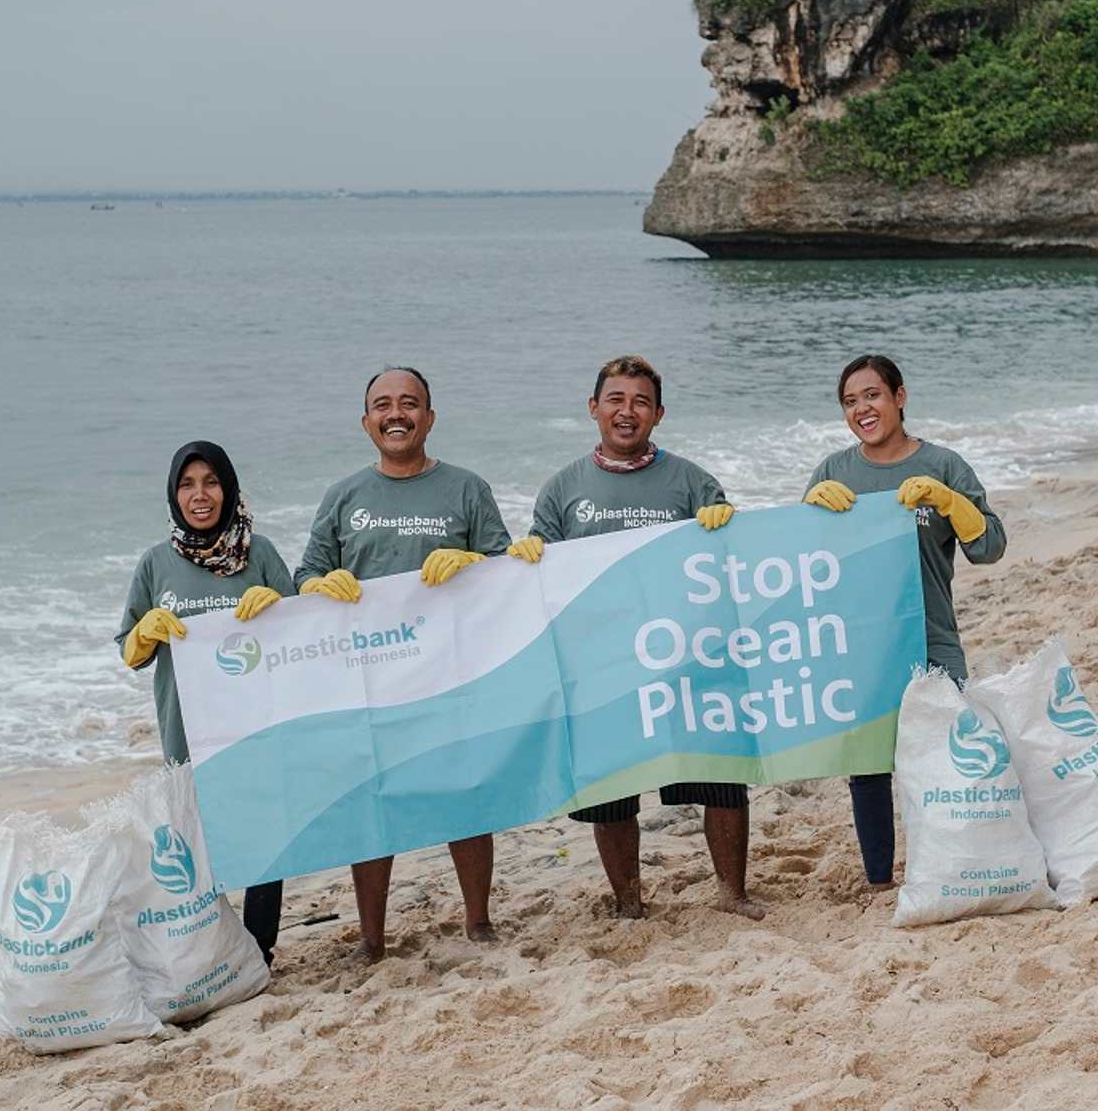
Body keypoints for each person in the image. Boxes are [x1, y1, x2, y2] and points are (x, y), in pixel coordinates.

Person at [507, 355, 759, 921]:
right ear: (594, 408)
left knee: (720, 774)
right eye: (616, 400)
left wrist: (728, 527)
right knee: (611, 790)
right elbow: (539, 578)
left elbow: (729, 565)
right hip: (602, 666)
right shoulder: (563, 488)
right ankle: (627, 903)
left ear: (659, 414)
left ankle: (733, 893)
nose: (628, 412)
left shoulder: (693, 481)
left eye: (641, 402)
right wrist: (524, 556)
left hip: (686, 657)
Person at [293, 366, 512, 961]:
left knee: (464, 795)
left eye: (409, 404)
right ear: (366, 422)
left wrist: (471, 564)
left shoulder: (466, 488)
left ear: (430, 418)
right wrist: (322, 583)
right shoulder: (344, 495)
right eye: (383, 405)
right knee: (375, 804)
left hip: (451, 673)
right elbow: (305, 574)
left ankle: (478, 921)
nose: (397, 414)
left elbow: (506, 568)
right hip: (369, 680)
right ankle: (370, 937)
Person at [801, 354, 1006, 889]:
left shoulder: (943, 465)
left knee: (946, 759)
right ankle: (879, 881)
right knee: (868, 768)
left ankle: (951, 869)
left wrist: (949, 500)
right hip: (861, 643)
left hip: (931, 635)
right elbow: (804, 568)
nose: (862, 409)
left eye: (872, 395)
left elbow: (989, 547)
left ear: (899, 396)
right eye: (850, 401)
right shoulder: (833, 472)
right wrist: (807, 513)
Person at [117, 440, 291, 966]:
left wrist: (281, 606)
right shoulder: (155, 563)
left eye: (211, 482)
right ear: (173, 494)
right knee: (194, 845)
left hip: (257, 725)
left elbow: (304, 637)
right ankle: (208, 950)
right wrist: (146, 631)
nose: (200, 495)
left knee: (264, 841)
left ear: (228, 489)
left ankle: (260, 950)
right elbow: (130, 653)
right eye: (187, 484)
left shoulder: (258, 553)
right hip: (187, 728)